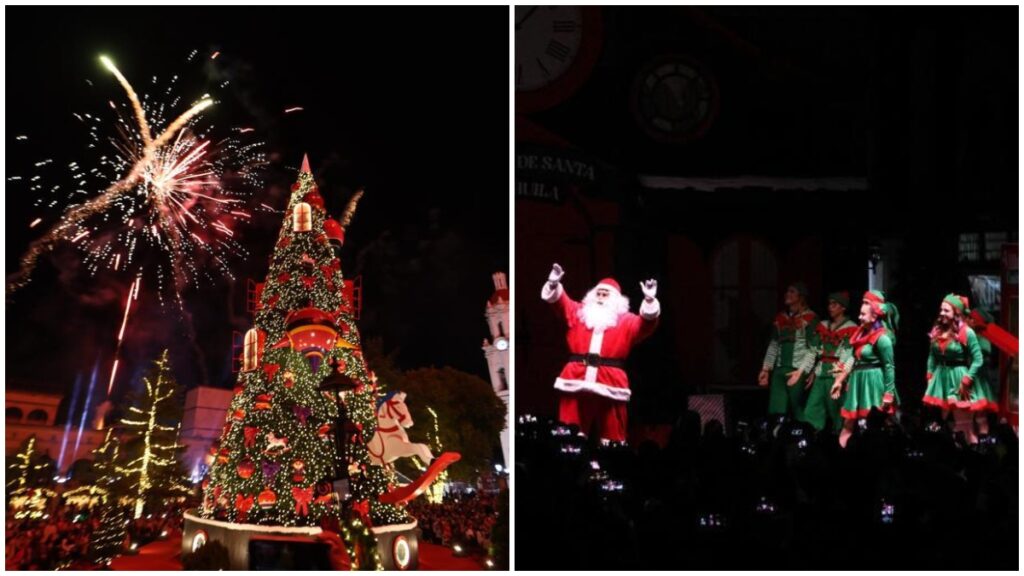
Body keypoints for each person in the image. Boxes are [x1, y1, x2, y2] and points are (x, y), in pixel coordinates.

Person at [542, 263, 660, 443]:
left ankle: (612, 463)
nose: (601, 297)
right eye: (598, 293)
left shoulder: (627, 321)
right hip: (576, 378)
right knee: (568, 431)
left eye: (605, 294)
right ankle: (568, 462)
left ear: (616, 300)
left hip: (610, 381)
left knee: (613, 435)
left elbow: (645, 326)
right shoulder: (579, 312)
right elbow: (561, 303)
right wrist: (552, 284)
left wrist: (650, 302)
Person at [922, 294, 996, 444]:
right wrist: (929, 376)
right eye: (941, 310)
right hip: (940, 379)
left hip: (958, 379)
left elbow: (978, 359)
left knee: (964, 428)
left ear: (956, 313)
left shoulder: (966, 332)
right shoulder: (937, 331)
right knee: (943, 425)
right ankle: (950, 456)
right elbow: (932, 356)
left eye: (946, 310)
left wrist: (967, 379)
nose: (942, 313)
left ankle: (973, 457)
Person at [831, 290, 899, 448]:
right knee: (848, 423)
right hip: (858, 381)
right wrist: (840, 380)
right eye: (860, 314)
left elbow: (889, 367)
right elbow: (853, 358)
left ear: (875, 315)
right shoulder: (860, 335)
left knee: (872, 424)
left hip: (874, 382)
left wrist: (888, 394)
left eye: (863, 315)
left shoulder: (882, 338)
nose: (859, 318)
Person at [758, 282, 818, 423]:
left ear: (801, 297)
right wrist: (766, 369)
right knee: (776, 412)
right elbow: (774, 344)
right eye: (787, 291)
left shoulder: (810, 318)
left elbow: (813, 348)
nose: (787, 294)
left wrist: (803, 371)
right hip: (779, 370)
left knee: (799, 411)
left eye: (792, 292)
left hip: (797, 370)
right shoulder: (781, 318)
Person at [804, 291, 857, 432]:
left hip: (836, 375)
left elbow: (849, 354)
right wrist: (808, 371)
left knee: (838, 413)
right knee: (812, 409)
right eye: (829, 304)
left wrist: (841, 375)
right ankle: (811, 438)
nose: (830, 307)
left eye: (835, 304)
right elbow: (813, 350)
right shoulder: (823, 325)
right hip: (821, 374)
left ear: (843, 307)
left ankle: (839, 441)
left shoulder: (851, 327)